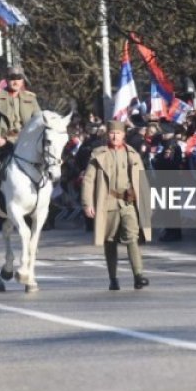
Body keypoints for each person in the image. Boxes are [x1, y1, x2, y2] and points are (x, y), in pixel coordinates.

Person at [81, 120, 152, 291]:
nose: (115, 136)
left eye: (118, 133)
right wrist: (87, 203)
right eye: (112, 133)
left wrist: (147, 202)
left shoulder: (132, 154)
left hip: (128, 202)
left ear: (124, 135)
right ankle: (113, 278)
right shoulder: (98, 154)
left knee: (132, 237)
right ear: (107, 135)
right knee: (110, 241)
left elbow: (141, 179)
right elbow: (88, 180)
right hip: (108, 203)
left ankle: (138, 275)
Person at [0, 66, 41, 213]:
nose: (15, 81)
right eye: (12, 78)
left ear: (22, 80)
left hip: (24, 141)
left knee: (48, 160)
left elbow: (39, 120)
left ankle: (46, 199)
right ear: (6, 80)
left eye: (18, 78)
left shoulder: (31, 99)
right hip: (2, 140)